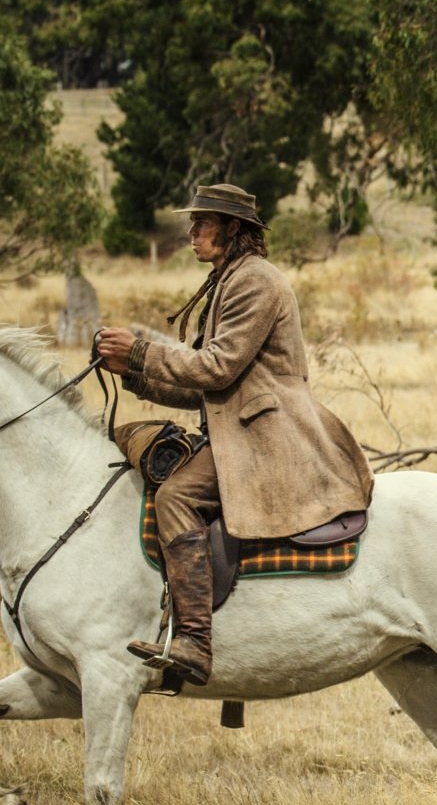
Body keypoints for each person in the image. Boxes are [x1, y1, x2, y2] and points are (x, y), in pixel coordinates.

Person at [94, 184, 373, 685]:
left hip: (270, 435)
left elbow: (217, 368)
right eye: (194, 223)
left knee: (176, 495)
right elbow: (207, 389)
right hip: (240, 428)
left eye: (202, 223)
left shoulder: (255, 282)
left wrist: (139, 352)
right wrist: (132, 374)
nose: (192, 233)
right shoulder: (229, 280)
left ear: (232, 229)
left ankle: (195, 641)